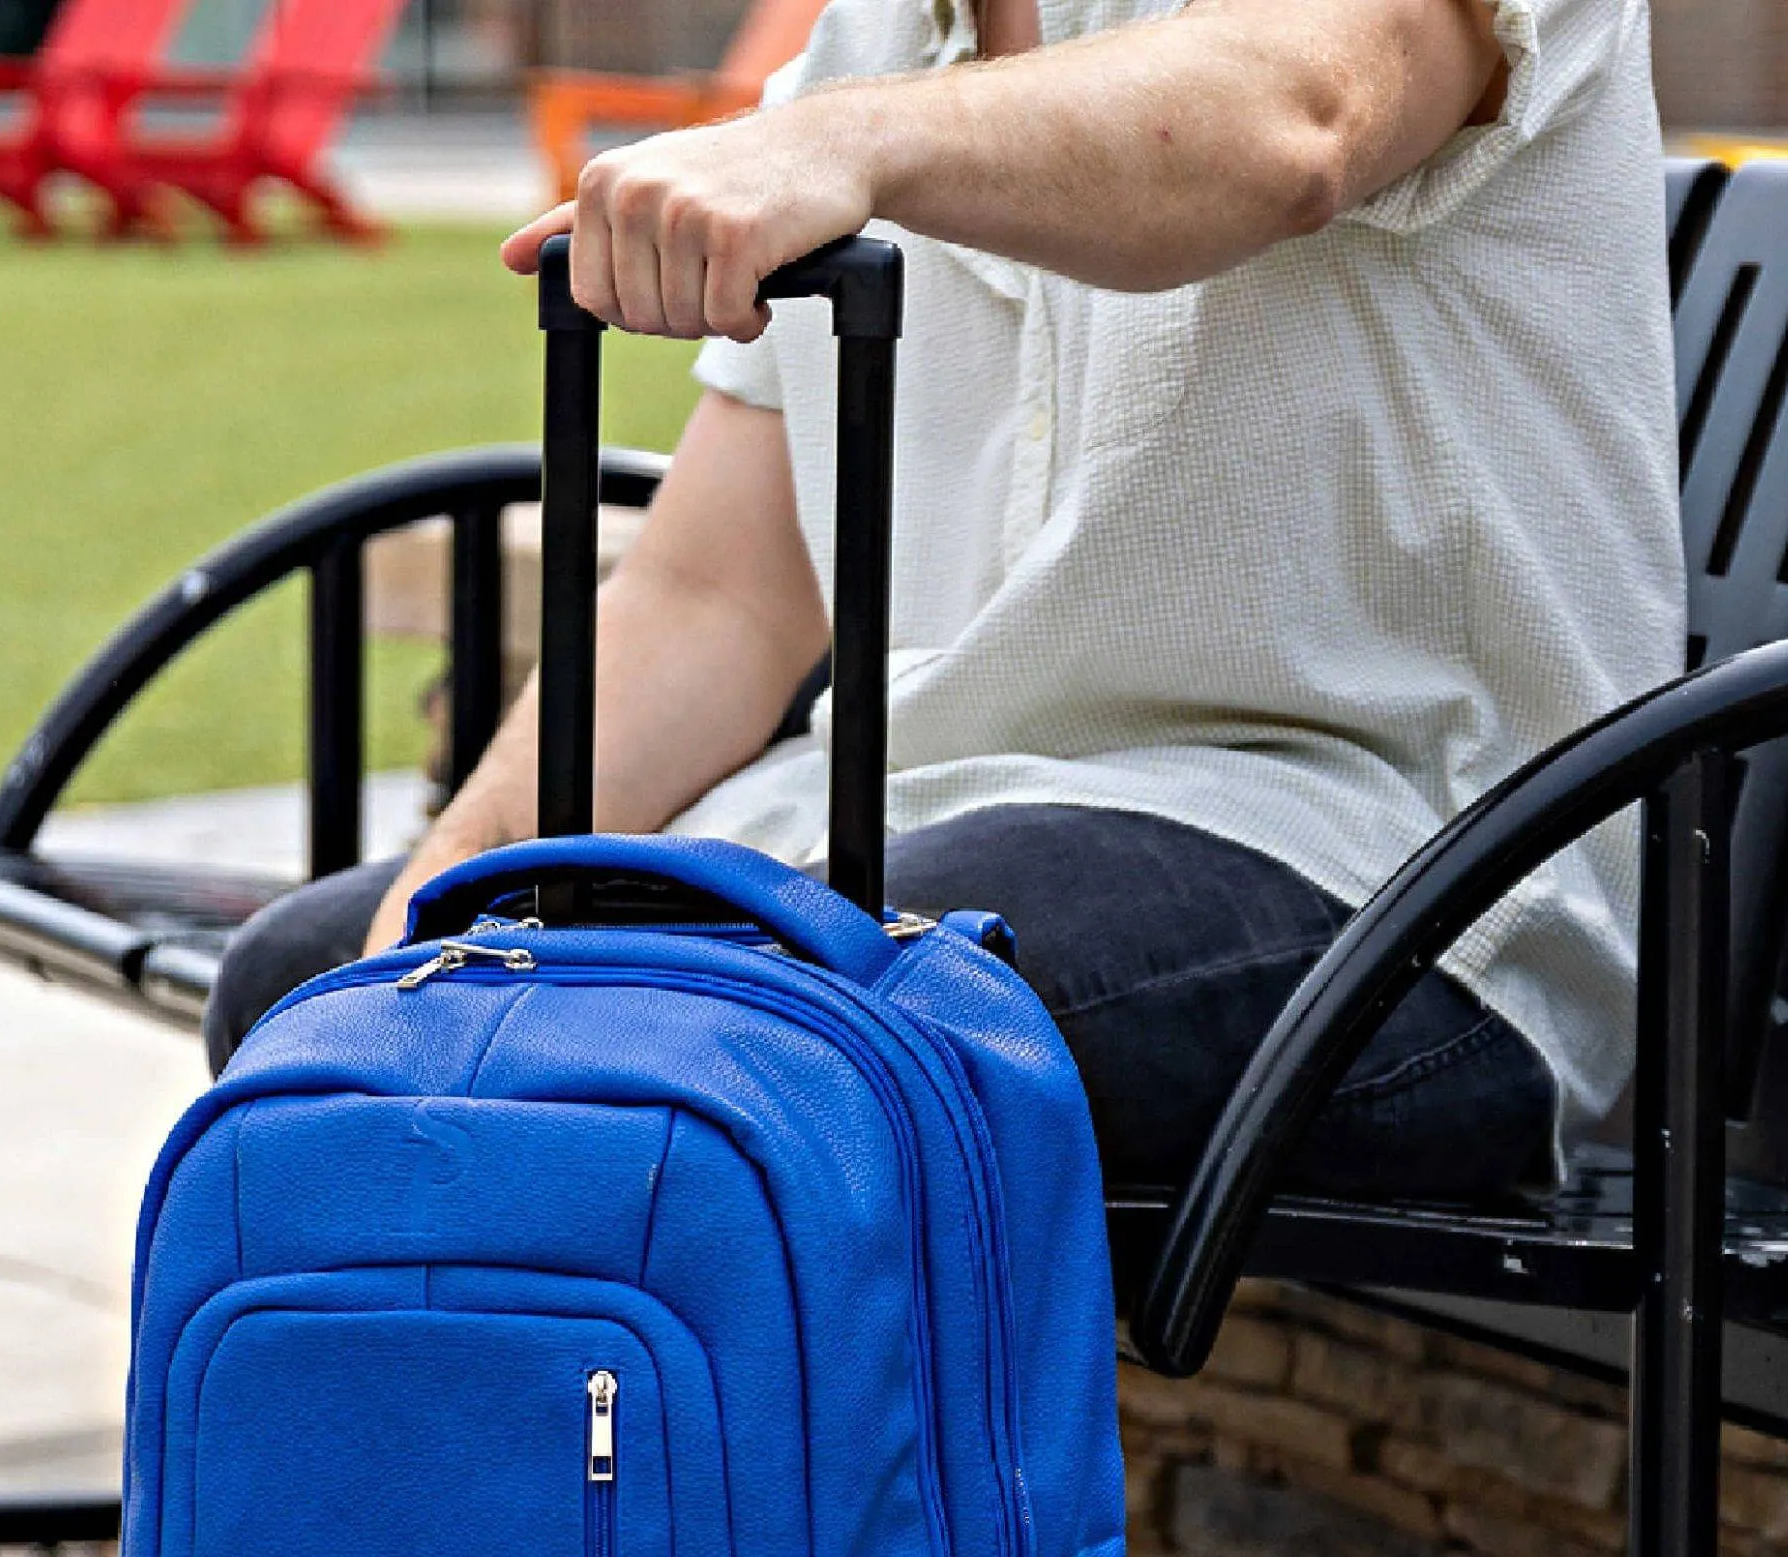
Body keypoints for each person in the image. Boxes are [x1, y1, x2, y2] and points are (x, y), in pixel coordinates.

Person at [205, 0, 1682, 1203]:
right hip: (929, 846)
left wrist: (846, 150)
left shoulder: (862, 109)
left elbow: (1299, 118)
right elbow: (719, 596)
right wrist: (456, 866)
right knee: (313, 992)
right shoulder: (870, 49)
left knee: (708, 1034)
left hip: (1396, 882)